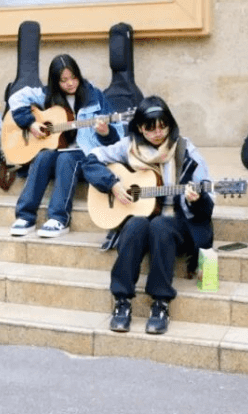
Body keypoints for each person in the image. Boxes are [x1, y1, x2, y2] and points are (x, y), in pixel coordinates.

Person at [83, 96, 214, 335]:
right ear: (140, 128)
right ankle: (122, 301)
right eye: (150, 128)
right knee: (135, 225)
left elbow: (207, 207)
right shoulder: (129, 147)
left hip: (178, 222)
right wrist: (112, 184)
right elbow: (90, 161)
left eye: (163, 126)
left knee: (161, 225)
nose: (158, 133)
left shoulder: (185, 150)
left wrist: (197, 199)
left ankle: (160, 303)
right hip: (142, 217)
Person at [7, 54, 120, 238]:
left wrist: (106, 132)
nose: (70, 83)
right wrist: (30, 123)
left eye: (73, 77)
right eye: (64, 80)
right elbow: (15, 99)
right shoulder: (47, 95)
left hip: (87, 156)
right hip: (59, 152)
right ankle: (25, 216)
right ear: (55, 81)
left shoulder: (95, 96)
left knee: (67, 157)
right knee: (44, 156)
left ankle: (58, 218)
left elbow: (117, 136)